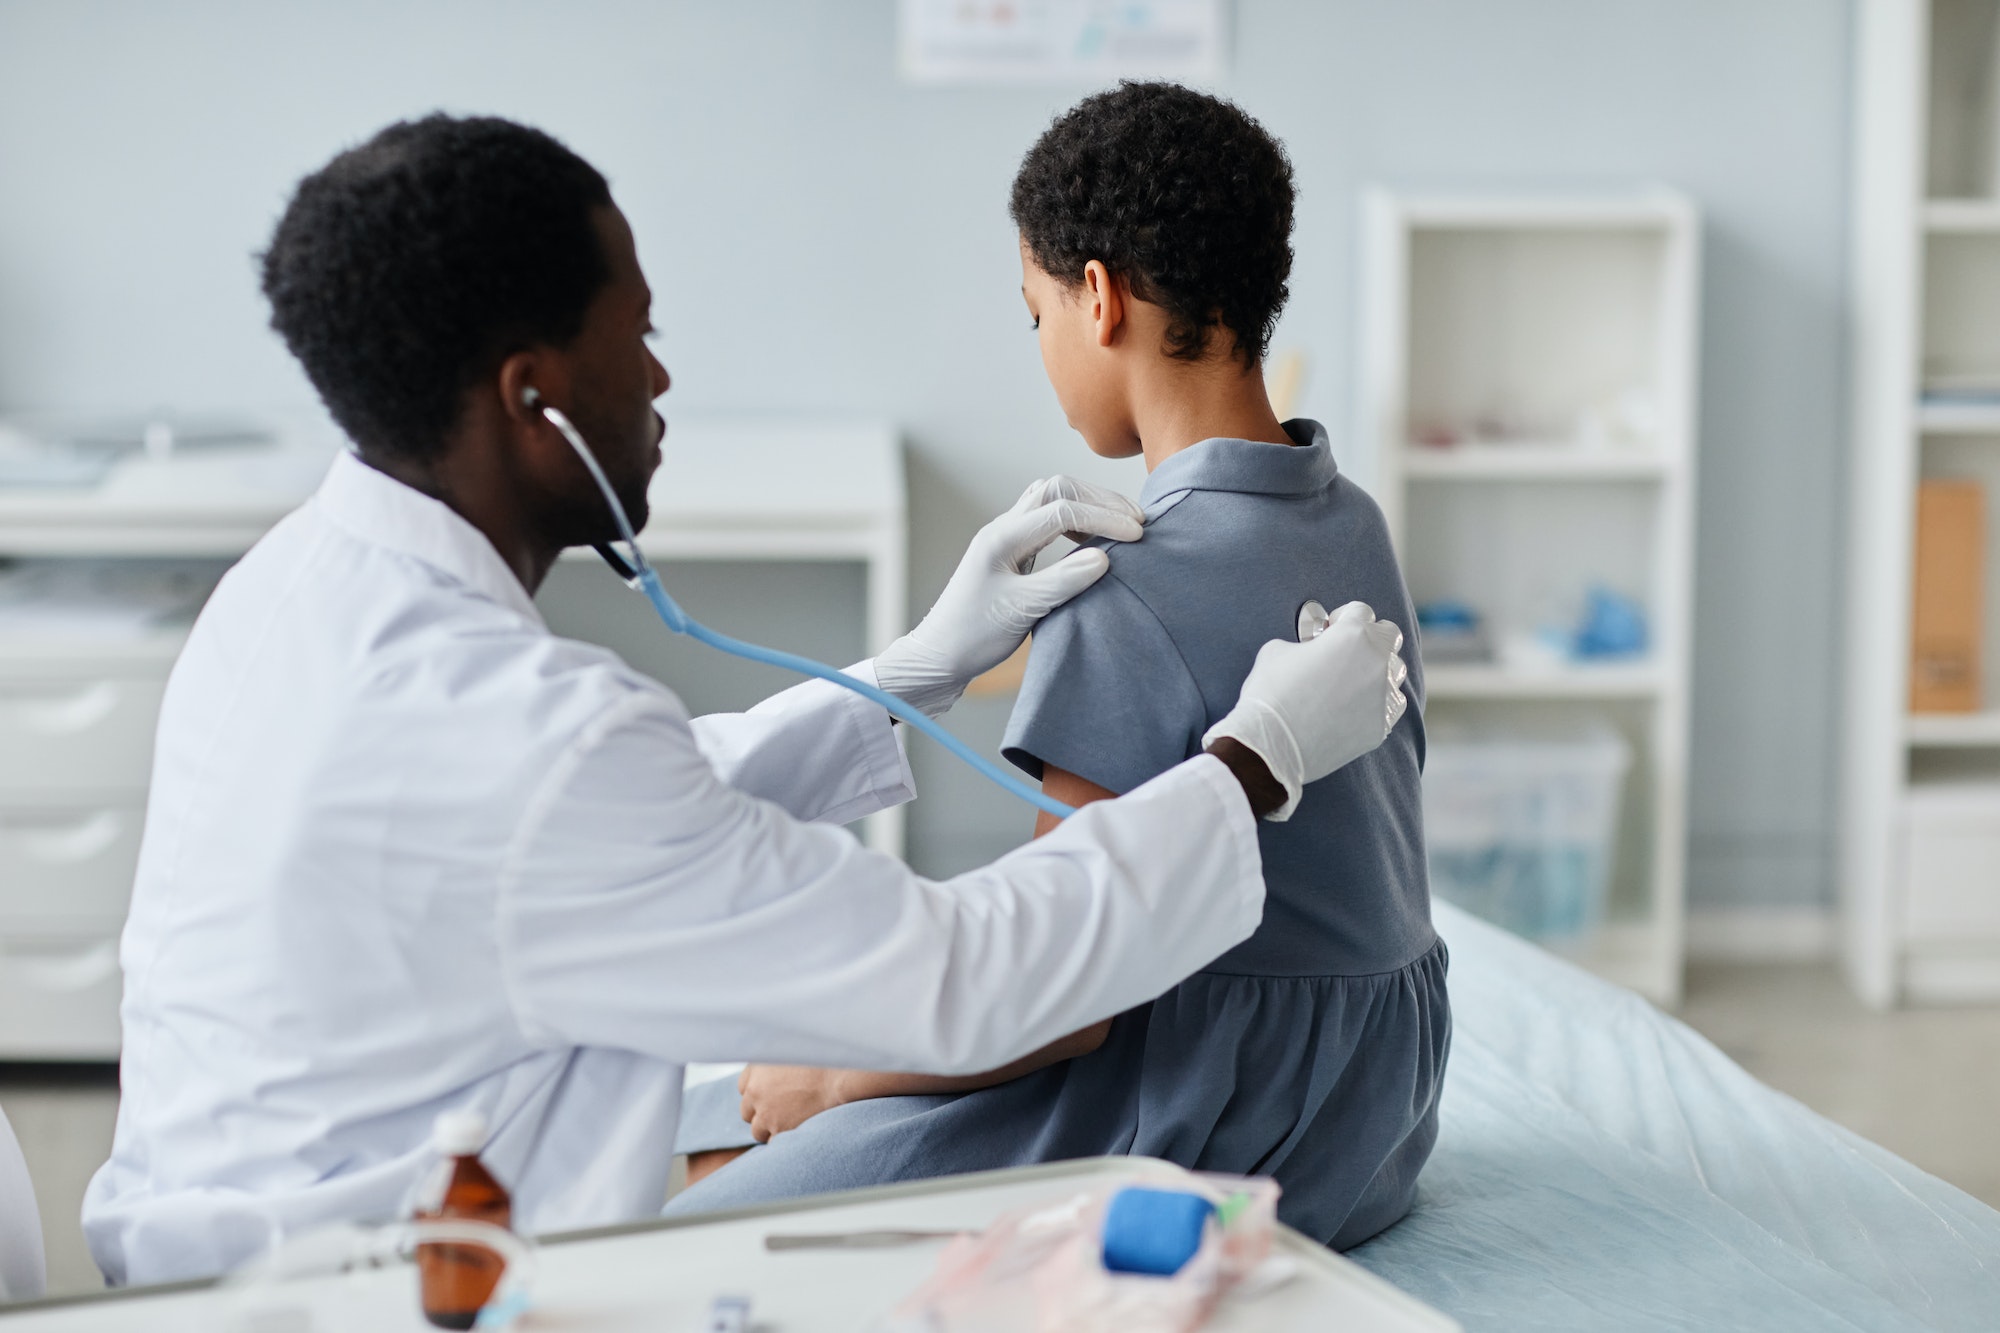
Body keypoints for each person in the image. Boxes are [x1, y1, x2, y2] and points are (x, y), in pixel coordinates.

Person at [80, 113, 1410, 1286]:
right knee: (729, 1131)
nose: (661, 379)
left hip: (245, 1211)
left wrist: (917, 667)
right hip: (358, 1282)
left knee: (734, 1125)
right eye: (639, 337)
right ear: (534, 395)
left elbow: (631, 814)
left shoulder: (291, 588)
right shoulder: (534, 740)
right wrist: (1254, 758)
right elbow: (973, 973)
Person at [668, 83, 1446, 1251]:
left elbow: (1061, 992)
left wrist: (836, 1077)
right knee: (727, 1111)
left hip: (1196, 1110)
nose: (1038, 346)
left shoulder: (1120, 584)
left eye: (1033, 315)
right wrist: (921, 664)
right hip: (1371, 1110)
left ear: (1098, 296)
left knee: (704, 1189)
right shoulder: (1353, 523)